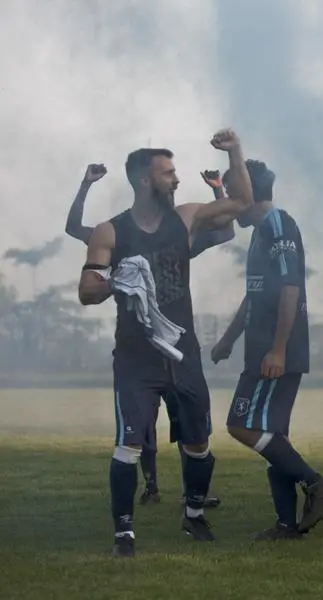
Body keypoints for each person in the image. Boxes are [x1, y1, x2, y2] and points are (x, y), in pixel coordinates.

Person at [78, 129, 254, 557]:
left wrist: (235, 153)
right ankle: (124, 532)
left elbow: (242, 205)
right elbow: (86, 290)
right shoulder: (111, 231)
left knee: (198, 442)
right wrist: (117, 278)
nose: (176, 180)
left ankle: (193, 515)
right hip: (137, 358)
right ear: (144, 180)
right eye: (168, 173)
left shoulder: (187, 217)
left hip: (183, 353)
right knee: (129, 444)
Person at [65, 163, 230, 509]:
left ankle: (191, 495)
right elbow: (74, 228)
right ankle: (151, 486)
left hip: (175, 347)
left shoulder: (178, 237)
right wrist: (85, 185)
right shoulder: (116, 235)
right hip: (137, 346)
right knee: (141, 428)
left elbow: (226, 231)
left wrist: (218, 190)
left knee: (189, 425)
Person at [211, 160, 323, 540]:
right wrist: (229, 338)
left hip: (275, 350)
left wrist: (278, 349)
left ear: (249, 193)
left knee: (242, 425)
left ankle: (315, 483)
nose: (231, 203)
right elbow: (254, 297)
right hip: (264, 347)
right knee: (273, 435)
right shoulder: (261, 231)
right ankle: (286, 525)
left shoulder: (279, 225)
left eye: (232, 193)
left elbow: (290, 288)